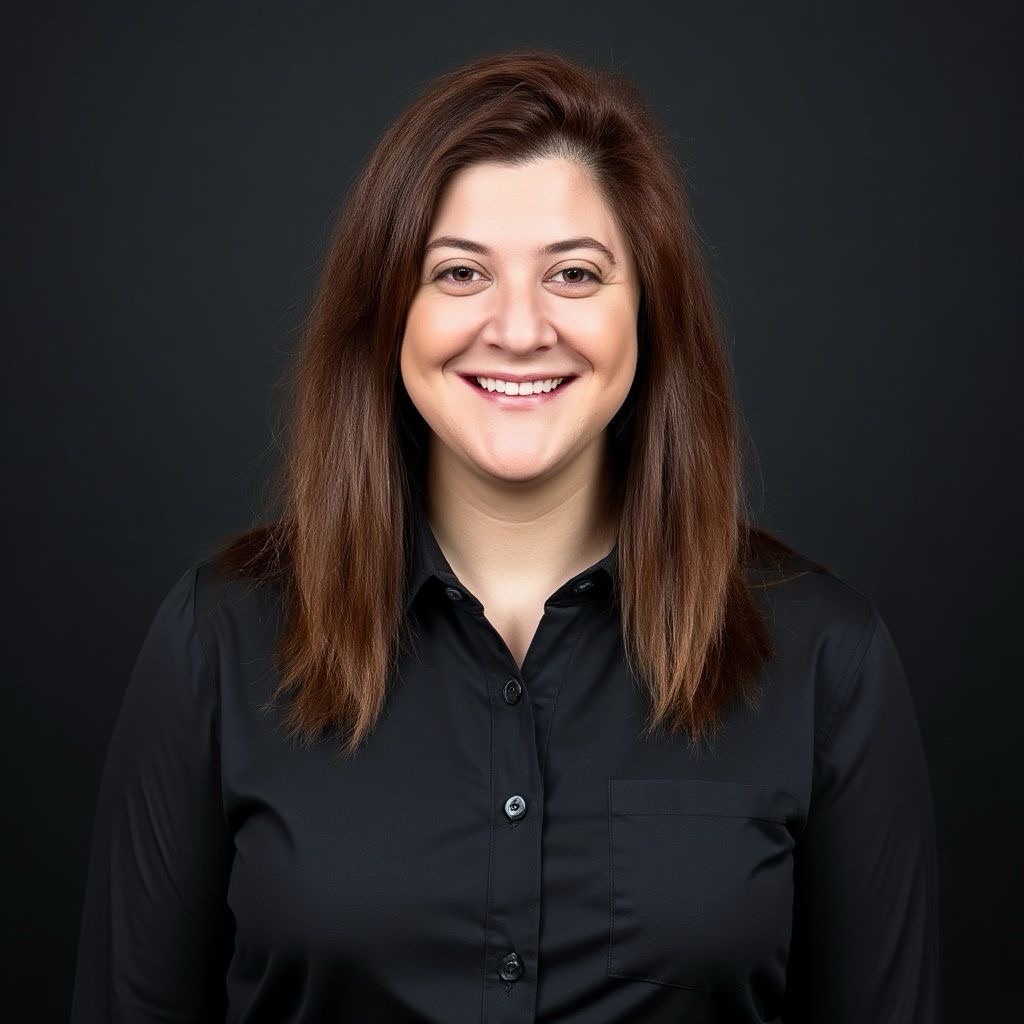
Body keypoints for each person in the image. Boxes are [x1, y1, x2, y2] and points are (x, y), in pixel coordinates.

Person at [70, 48, 940, 1023]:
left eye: (573, 273)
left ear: (648, 314)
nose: (519, 328)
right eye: (458, 273)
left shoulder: (826, 659)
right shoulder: (216, 641)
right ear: (385, 313)